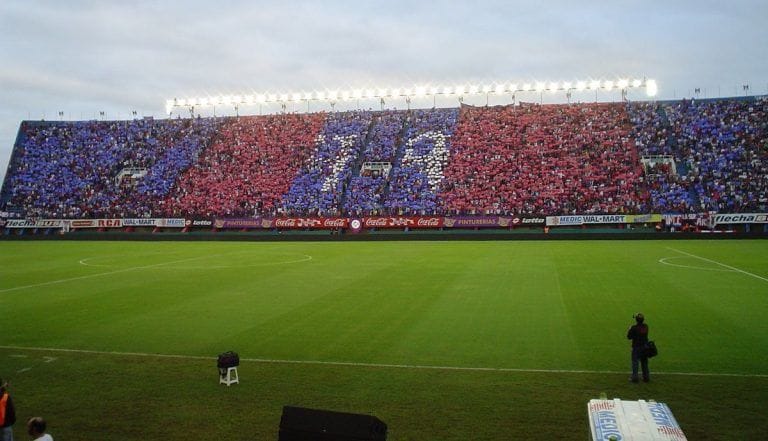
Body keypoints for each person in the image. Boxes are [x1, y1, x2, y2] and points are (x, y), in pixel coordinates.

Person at [627, 313, 650, 383]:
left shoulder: (634, 328)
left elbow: (629, 337)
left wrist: (629, 329)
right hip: (645, 347)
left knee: (635, 362)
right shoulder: (646, 327)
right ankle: (646, 378)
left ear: (636, 320)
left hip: (636, 347)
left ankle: (635, 378)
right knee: (644, 362)